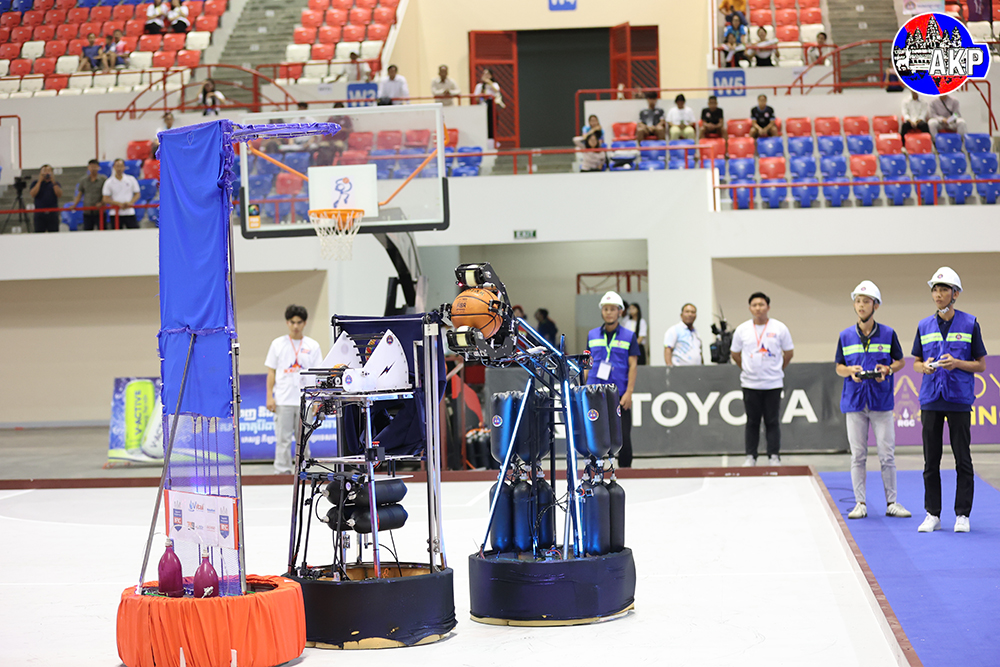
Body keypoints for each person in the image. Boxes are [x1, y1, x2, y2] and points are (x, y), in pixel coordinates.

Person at [912, 267, 987, 533]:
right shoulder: (924, 325)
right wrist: (924, 367)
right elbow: (916, 362)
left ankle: (962, 514)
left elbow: (980, 365)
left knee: (962, 459)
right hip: (931, 399)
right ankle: (932, 514)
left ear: (955, 294)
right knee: (930, 461)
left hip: (958, 400)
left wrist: (957, 363)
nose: (938, 294)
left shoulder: (970, 324)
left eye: (944, 289)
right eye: (935, 289)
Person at [835, 281, 910, 520]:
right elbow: (838, 367)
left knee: (887, 455)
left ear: (875, 305)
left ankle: (892, 502)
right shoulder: (845, 335)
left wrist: (888, 369)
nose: (861, 305)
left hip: (881, 401)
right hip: (855, 402)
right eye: (857, 301)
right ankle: (860, 503)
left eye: (866, 301)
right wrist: (850, 371)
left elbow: (900, 361)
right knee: (858, 456)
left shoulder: (888, 333)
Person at [730, 292, 794, 467]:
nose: (758, 308)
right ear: (750, 308)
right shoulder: (742, 330)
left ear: (768, 307)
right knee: (752, 421)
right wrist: (746, 368)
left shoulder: (779, 328)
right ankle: (751, 456)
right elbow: (735, 354)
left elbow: (789, 353)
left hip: (773, 383)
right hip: (750, 383)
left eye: (761, 304)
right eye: (754, 305)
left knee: (772, 421)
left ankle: (774, 456)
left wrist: (778, 369)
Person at [265, 305, 324, 475]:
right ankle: (282, 471)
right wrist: (269, 396)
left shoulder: (313, 345)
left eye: (299, 322)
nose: (295, 326)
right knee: (282, 439)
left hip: (305, 401)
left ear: (304, 323)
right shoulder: (277, 344)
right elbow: (271, 372)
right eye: (292, 322)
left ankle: (304, 470)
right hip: (283, 400)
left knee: (304, 439)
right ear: (287, 323)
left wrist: (317, 399)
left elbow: (318, 375)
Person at [584, 292, 639, 468]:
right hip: (594, 393)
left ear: (620, 312)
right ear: (602, 311)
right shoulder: (592, 335)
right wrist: (584, 388)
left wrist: (629, 392)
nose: (609, 312)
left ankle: (626, 471)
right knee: (595, 434)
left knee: (623, 434)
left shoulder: (629, 336)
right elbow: (587, 364)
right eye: (605, 309)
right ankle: (594, 470)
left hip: (619, 393)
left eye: (613, 309)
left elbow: (633, 365)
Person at [101, 158, 141, 229]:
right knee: (116, 234)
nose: (119, 168)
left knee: (133, 233)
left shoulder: (131, 179)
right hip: (115, 213)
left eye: (121, 166)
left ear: (124, 167)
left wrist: (130, 203)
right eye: (117, 166)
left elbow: (137, 194)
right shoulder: (108, 182)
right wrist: (119, 204)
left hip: (129, 212)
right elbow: (105, 198)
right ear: (113, 167)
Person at [71, 159, 107, 231]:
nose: (93, 169)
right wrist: (74, 205)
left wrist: (102, 203)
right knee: (87, 232)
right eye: (91, 167)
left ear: (98, 167)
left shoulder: (103, 179)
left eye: (95, 167)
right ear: (88, 167)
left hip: (100, 211)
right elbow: (80, 194)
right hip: (87, 211)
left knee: (102, 231)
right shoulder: (83, 180)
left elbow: (106, 194)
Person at [473, 68, 504, 144]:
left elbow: (496, 91)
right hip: (482, 106)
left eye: (487, 74)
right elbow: (476, 98)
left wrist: (489, 82)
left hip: (491, 107)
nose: (485, 76)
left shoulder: (494, 84)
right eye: (484, 74)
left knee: (492, 124)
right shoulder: (479, 86)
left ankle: (492, 140)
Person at [29, 164, 63, 233]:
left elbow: (59, 194)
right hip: (39, 213)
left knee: (54, 234)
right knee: (39, 234)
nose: (46, 173)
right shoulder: (35, 183)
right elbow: (33, 194)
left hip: (52, 213)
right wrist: (39, 181)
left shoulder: (55, 184)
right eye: (44, 171)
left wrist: (53, 181)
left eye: (48, 171)